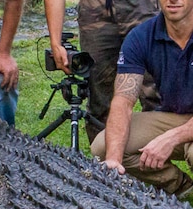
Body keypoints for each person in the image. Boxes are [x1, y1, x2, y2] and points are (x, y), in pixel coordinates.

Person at [90, 0, 193, 209]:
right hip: (172, 115)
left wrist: (170, 138)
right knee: (103, 146)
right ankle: (177, 184)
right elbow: (123, 101)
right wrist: (114, 161)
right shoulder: (141, 35)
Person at [43, 0, 160, 143]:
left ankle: (156, 160)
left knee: (154, 94)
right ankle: (102, 162)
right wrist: (55, 42)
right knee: (98, 100)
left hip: (142, 8)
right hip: (94, 12)